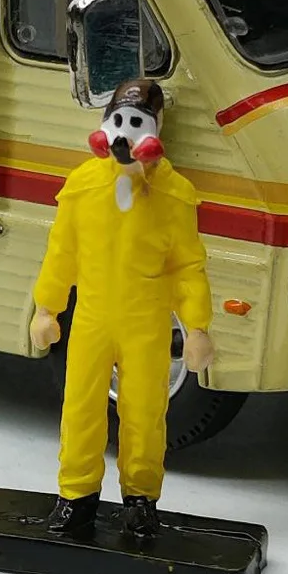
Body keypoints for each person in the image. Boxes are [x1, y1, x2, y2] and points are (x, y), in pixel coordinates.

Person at [29, 77, 215, 543]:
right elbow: (62, 252)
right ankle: (76, 498)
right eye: (118, 121)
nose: (125, 134)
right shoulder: (82, 186)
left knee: (146, 414)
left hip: (146, 324)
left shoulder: (174, 196)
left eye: (137, 123)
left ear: (156, 131)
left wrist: (197, 327)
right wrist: (47, 307)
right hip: (91, 318)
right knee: (80, 408)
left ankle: (140, 501)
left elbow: (187, 267)